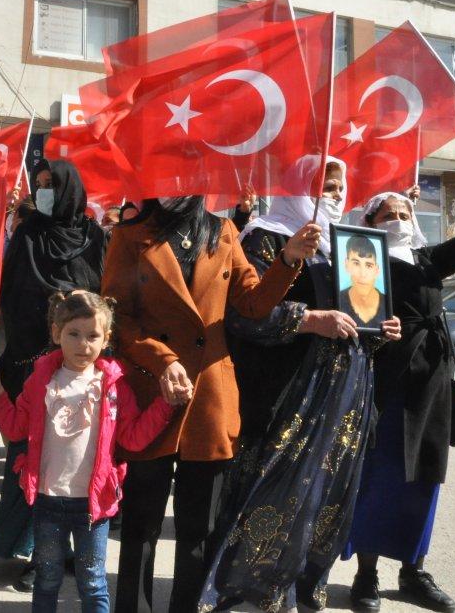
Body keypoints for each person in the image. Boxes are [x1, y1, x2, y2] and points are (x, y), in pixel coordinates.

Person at [200, 157, 402, 612]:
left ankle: (305, 583)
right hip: (288, 391)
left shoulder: (350, 245)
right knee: (271, 489)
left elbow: (358, 319)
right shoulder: (265, 237)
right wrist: (310, 320)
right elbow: (243, 317)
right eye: (322, 185)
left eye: (338, 186)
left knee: (326, 494)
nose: (332, 194)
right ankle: (243, 587)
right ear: (294, 184)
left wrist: (380, 330)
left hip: (344, 393)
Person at [101, 195, 320, 613]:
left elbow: (253, 304)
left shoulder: (223, 231)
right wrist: (162, 361)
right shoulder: (129, 235)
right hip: (152, 390)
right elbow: (117, 318)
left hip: (209, 397)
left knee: (198, 529)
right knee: (141, 526)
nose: (174, 185)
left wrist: (289, 258)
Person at [344, 142, 455, 613]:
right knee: (381, 478)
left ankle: (414, 571)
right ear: (369, 224)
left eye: (402, 210)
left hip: (432, 384)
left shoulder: (428, 259)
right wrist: (376, 334)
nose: (396, 216)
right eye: (385, 212)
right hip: (385, 385)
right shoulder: (360, 262)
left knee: (426, 477)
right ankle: (367, 575)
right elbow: (353, 324)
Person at [0, 291, 179, 613]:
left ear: (106, 339)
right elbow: (17, 428)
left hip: (95, 507)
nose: (83, 344)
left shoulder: (115, 385)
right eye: (73, 334)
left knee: (92, 581)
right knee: (47, 579)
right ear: (55, 333)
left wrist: (165, 405)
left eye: (92, 336)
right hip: (48, 501)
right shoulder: (41, 380)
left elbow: (132, 438)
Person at [0, 159, 107, 590]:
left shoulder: (95, 237)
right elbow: (10, 296)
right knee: (36, 460)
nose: (42, 193)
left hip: (81, 365)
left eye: (49, 185)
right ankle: (36, 552)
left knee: (78, 459)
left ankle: (73, 551)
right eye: (38, 185)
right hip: (32, 366)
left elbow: (104, 295)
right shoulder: (28, 234)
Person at [341, 234, 385, 329]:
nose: (362, 274)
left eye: (369, 265)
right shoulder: (336, 301)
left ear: (376, 270)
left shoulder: (388, 305)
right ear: (346, 265)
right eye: (356, 263)